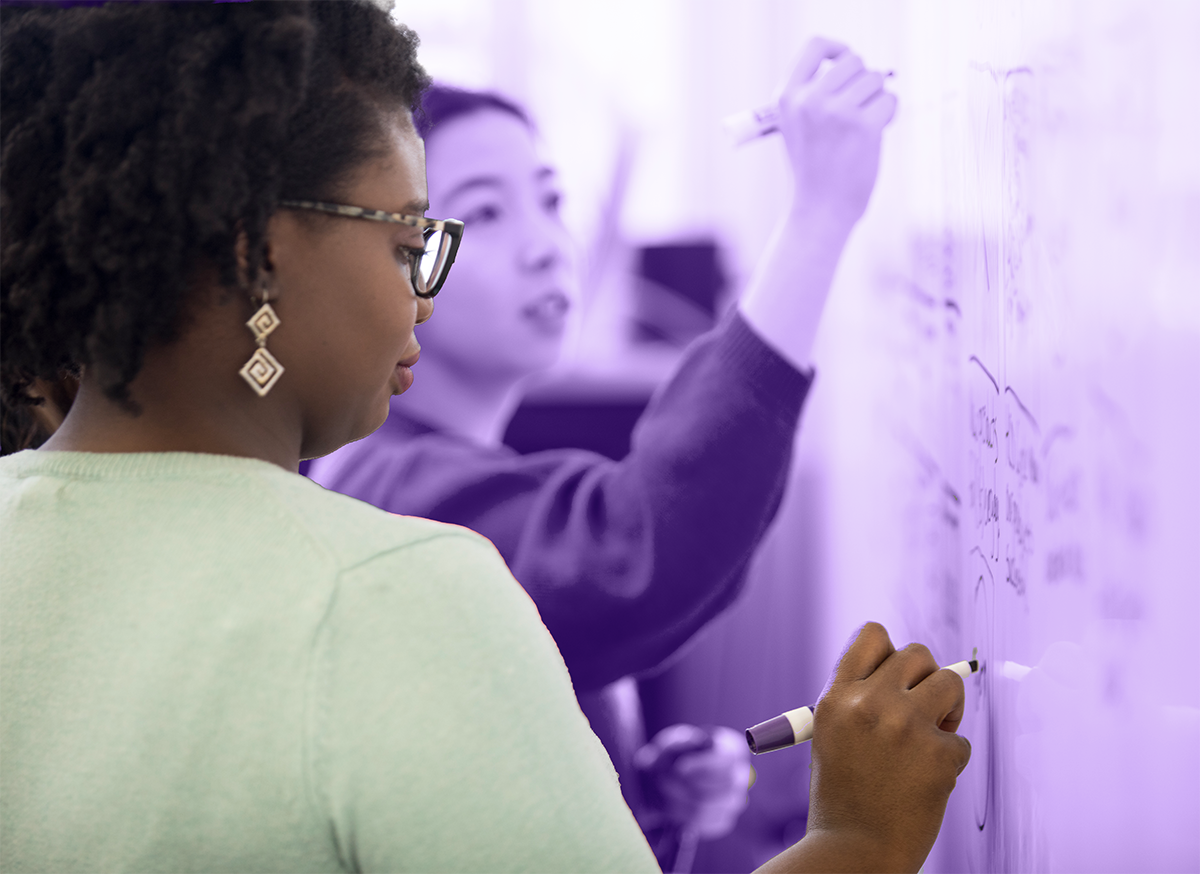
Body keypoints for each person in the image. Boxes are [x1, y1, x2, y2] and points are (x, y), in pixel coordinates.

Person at [0, 1, 969, 871]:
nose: (420, 290)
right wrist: (858, 841)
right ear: (262, 258)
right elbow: (641, 546)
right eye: (409, 240)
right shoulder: (401, 586)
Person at [306, 43, 897, 867]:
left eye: (550, 201)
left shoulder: (408, 473)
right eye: (487, 213)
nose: (548, 244)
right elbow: (640, 547)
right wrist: (819, 215)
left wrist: (636, 795)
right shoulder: (394, 499)